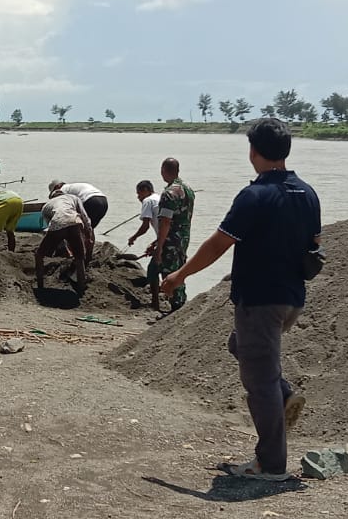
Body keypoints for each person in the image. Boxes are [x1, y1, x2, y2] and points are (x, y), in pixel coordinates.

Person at [161, 118, 321, 481]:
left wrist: (179, 275)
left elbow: (219, 243)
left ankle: (271, 465)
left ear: (253, 151)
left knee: (258, 380)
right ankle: (283, 394)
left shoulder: (255, 195)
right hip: (293, 297)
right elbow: (314, 245)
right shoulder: (307, 192)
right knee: (244, 349)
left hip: (260, 299)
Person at [143, 158, 194, 313]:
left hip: (170, 240)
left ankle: (177, 308)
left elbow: (165, 222)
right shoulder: (188, 189)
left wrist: (159, 248)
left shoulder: (169, 194)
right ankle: (176, 305)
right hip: (183, 238)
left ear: (163, 170)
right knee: (178, 269)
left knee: (170, 273)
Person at [35, 190, 92, 294]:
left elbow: (52, 228)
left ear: (51, 197)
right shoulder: (73, 198)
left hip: (58, 222)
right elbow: (84, 216)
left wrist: (61, 248)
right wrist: (89, 234)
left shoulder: (46, 206)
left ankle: (40, 286)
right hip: (74, 221)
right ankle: (81, 289)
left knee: (39, 255)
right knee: (79, 258)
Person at [126, 180, 159, 247]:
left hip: (166, 238)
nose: (138, 197)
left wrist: (133, 238)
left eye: (139, 193)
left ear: (145, 190)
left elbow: (145, 227)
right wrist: (154, 244)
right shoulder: (159, 197)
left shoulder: (148, 201)